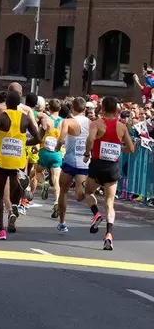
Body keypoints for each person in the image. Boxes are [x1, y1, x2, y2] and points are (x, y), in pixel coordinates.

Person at [83, 95, 135, 250]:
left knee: (88, 191)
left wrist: (87, 153)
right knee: (110, 203)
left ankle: (96, 214)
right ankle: (109, 235)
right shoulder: (122, 127)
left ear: (103, 108)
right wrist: (119, 148)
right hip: (112, 167)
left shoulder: (96, 123)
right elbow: (131, 148)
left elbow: (90, 139)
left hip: (97, 165)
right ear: (116, 110)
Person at [0, 91, 40, 241]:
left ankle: (0, 230)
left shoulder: (1, 116)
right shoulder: (25, 117)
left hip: (3, 160)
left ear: (6, 103)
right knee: (15, 187)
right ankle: (14, 209)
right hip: (18, 160)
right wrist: (24, 142)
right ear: (18, 104)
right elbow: (37, 138)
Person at [55, 97, 91, 234]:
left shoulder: (68, 121)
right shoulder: (91, 123)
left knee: (63, 190)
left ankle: (62, 223)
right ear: (84, 109)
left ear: (72, 108)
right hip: (84, 163)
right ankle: (88, 188)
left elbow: (61, 138)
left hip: (69, 161)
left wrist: (57, 147)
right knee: (79, 196)